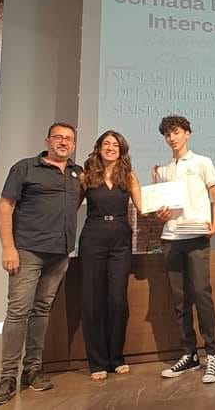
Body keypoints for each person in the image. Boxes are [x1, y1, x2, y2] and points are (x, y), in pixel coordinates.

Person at [0, 123, 83, 406]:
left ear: (73, 144)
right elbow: (5, 206)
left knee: (41, 310)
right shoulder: (25, 168)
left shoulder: (77, 173)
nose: (63, 142)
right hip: (27, 251)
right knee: (18, 312)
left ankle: (32, 370)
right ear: (47, 141)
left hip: (60, 253)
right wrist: (8, 247)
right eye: (58, 137)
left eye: (69, 139)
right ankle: (7, 377)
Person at [153, 115, 215, 384]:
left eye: (176, 132)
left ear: (187, 133)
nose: (172, 138)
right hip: (171, 238)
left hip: (196, 235)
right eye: (167, 134)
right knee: (179, 300)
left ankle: (213, 354)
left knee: (202, 294)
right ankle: (189, 354)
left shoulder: (202, 162)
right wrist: (160, 214)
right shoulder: (163, 170)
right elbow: (161, 208)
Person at [78, 130, 142, 380]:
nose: (111, 148)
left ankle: (116, 357)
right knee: (92, 300)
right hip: (93, 237)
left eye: (115, 144)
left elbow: (143, 207)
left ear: (121, 150)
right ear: (99, 148)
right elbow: (70, 207)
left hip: (120, 240)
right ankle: (97, 362)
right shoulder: (86, 176)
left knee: (117, 300)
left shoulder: (129, 176)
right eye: (106, 143)